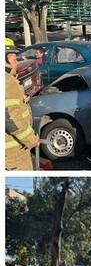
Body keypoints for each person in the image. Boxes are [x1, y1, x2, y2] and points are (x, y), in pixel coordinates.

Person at [5, 38, 40, 171]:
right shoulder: (6, 81)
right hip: (14, 153)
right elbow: (11, 118)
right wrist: (31, 139)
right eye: (14, 60)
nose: (17, 63)